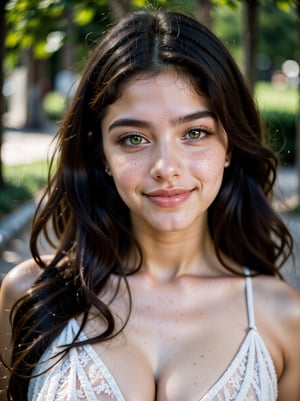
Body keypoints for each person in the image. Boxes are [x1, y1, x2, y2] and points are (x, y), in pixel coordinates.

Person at [0, 8, 299, 401]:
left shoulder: (283, 317)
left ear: (229, 145)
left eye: (195, 132)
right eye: (133, 139)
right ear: (100, 152)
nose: (166, 168)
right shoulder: (30, 295)